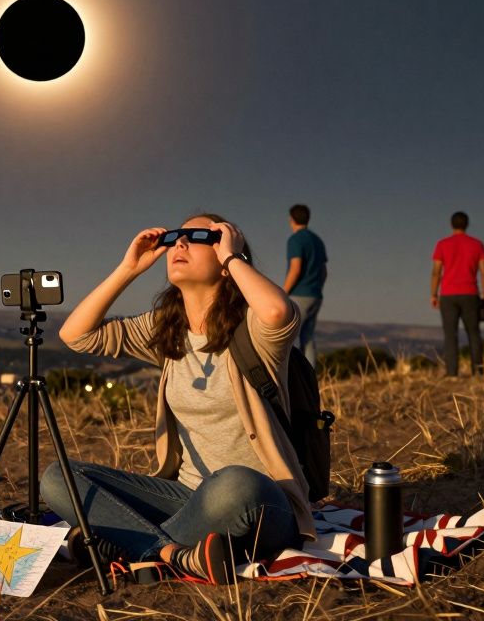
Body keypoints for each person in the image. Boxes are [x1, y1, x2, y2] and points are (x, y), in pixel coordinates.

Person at [40, 214, 313, 584]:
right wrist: (128, 269)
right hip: (186, 497)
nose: (179, 244)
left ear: (225, 251)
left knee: (233, 483)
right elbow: (76, 334)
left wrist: (233, 259)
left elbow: (279, 311)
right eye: (175, 237)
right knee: (59, 478)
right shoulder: (165, 328)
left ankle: (120, 540)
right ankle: (171, 554)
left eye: (198, 236)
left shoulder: (254, 330)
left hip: (261, 503)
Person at [431, 211, 484, 377]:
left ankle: (451, 373)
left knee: (450, 335)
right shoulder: (477, 245)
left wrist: (433, 294)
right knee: (474, 333)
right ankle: (478, 371)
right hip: (470, 294)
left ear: (451, 225)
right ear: (467, 224)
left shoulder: (442, 245)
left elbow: (436, 272)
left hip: (448, 295)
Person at [282, 204, 328, 365]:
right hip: (316, 295)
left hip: (299, 294)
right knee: (307, 337)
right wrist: (317, 288)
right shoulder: (318, 241)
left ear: (292, 220)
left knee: (291, 336)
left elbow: (295, 269)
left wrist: (283, 293)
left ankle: (293, 378)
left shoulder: (295, 240)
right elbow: (324, 272)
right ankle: (311, 379)